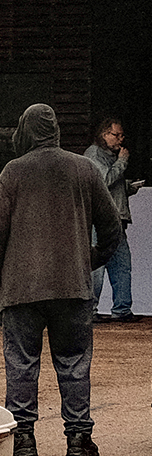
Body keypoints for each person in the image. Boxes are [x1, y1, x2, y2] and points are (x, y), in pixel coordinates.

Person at [0, 104, 121, 456]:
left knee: (21, 363)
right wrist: (89, 261)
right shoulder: (84, 168)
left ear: (25, 131)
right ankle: (78, 438)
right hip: (72, 286)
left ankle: (24, 438)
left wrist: (1, 279)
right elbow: (112, 227)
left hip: (21, 289)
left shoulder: (13, 172)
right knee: (74, 362)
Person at [83, 117, 141, 322]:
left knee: (122, 264)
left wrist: (128, 188)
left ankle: (122, 309)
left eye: (122, 135)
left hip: (115, 219)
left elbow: (111, 186)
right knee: (96, 267)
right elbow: (103, 181)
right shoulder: (93, 154)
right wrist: (122, 161)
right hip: (99, 220)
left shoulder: (108, 156)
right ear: (103, 134)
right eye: (116, 135)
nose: (120, 139)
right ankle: (90, 311)